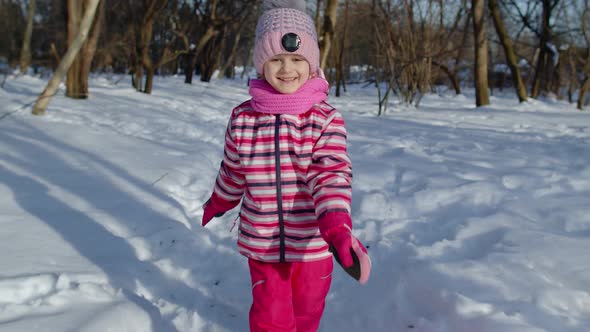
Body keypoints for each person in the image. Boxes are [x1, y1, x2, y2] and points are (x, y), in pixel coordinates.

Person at [201, 1, 371, 331]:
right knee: (271, 316)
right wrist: (220, 201)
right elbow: (233, 170)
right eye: (275, 59)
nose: (286, 68)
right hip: (262, 243)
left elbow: (331, 175)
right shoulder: (243, 118)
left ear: (312, 64)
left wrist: (336, 226)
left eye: (297, 59)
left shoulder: (325, 120)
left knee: (306, 312)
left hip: (311, 243)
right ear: (261, 64)